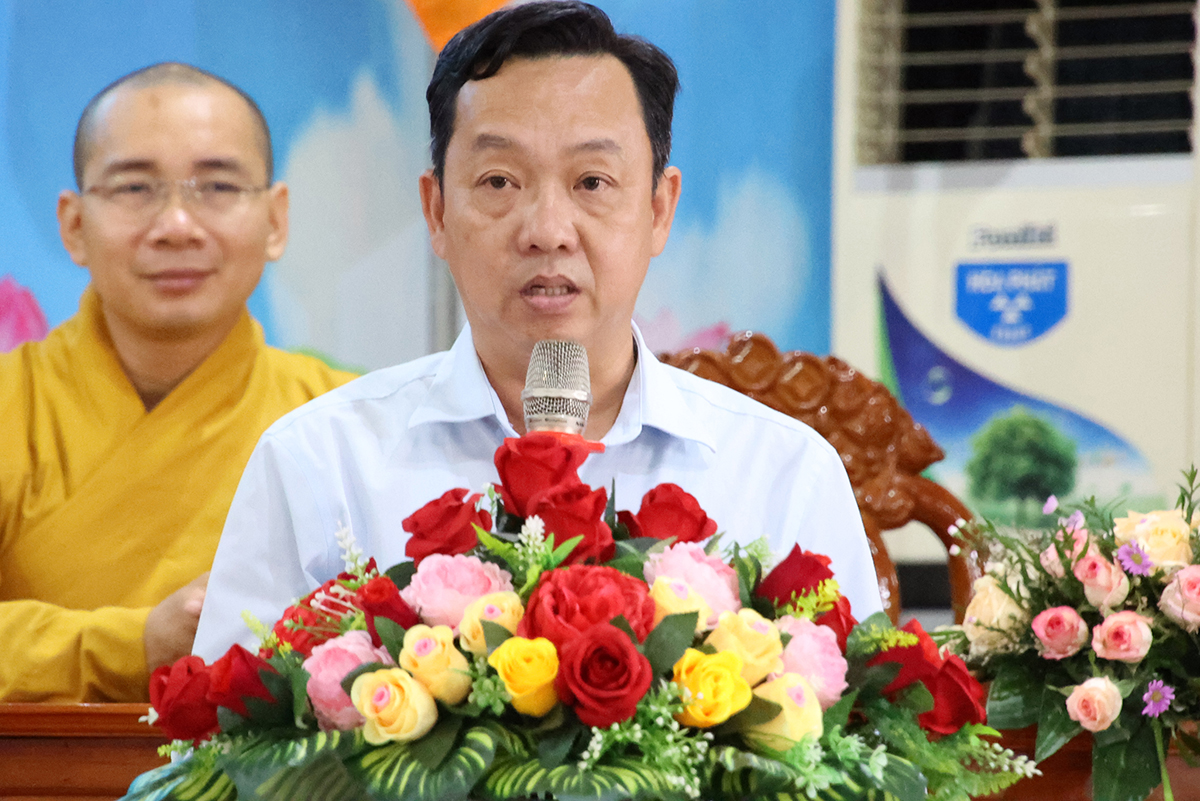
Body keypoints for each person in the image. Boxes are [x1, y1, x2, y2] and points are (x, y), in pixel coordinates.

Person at [194, 1, 881, 657]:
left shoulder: (783, 473)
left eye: (592, 182)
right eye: (499, 181)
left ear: (659, 210)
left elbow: (858, 726)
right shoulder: (320, 464)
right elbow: (231, 728)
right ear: (436, 212)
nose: (548, 231)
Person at [0, 63, 356, 702]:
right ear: (74, 225)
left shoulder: (340, 417)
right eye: (135, 188)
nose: (177, 225)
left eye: (217, 186)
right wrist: (135, 644)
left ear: (275, 220)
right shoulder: (11, 404)